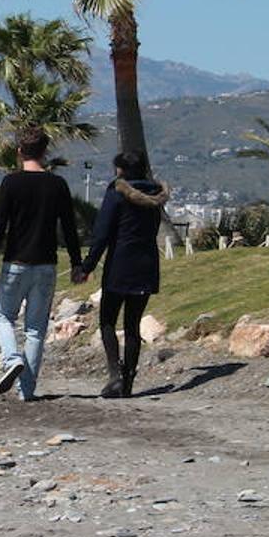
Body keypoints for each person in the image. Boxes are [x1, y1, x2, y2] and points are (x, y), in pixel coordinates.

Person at [0, 126, 86, 401]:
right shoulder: (58, 184)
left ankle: (11, 358)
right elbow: (69, 228)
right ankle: (27, 389)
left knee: (3, 316)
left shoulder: (11, 183)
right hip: (46, 264)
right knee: (36, 329)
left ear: (19, 152)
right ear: (45, 152)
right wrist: (76, 262)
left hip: (16, 261)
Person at [75, 152, 169, 398]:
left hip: (120, 264)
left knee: (107, 320)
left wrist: (87, 267)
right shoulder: (156, 195)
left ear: (121, 171)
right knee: (132, 325)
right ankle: (128, 381)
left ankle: (115, 375)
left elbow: (102, 233)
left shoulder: (116, 193)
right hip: (147, 263)